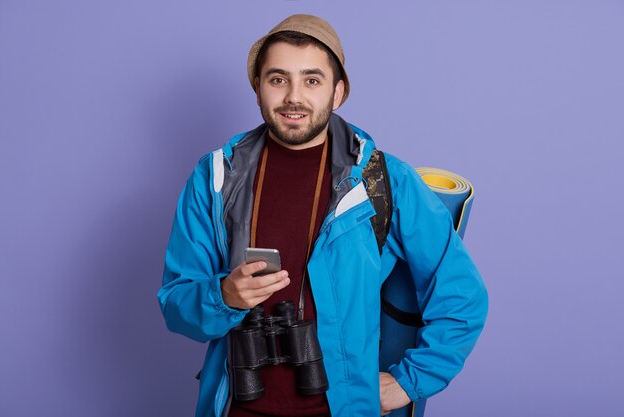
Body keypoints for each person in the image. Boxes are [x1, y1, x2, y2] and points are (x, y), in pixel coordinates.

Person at [158, 14, 488, 417]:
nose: (294, 96)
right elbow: (176, 304)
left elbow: (462, 294)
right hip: (235, 407)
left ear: (338, 92)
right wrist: (223, 296)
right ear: (257, 87)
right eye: (278, 79)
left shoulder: (384, 180)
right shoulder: (214, 178)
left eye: (312, 80)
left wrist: (409, 381)